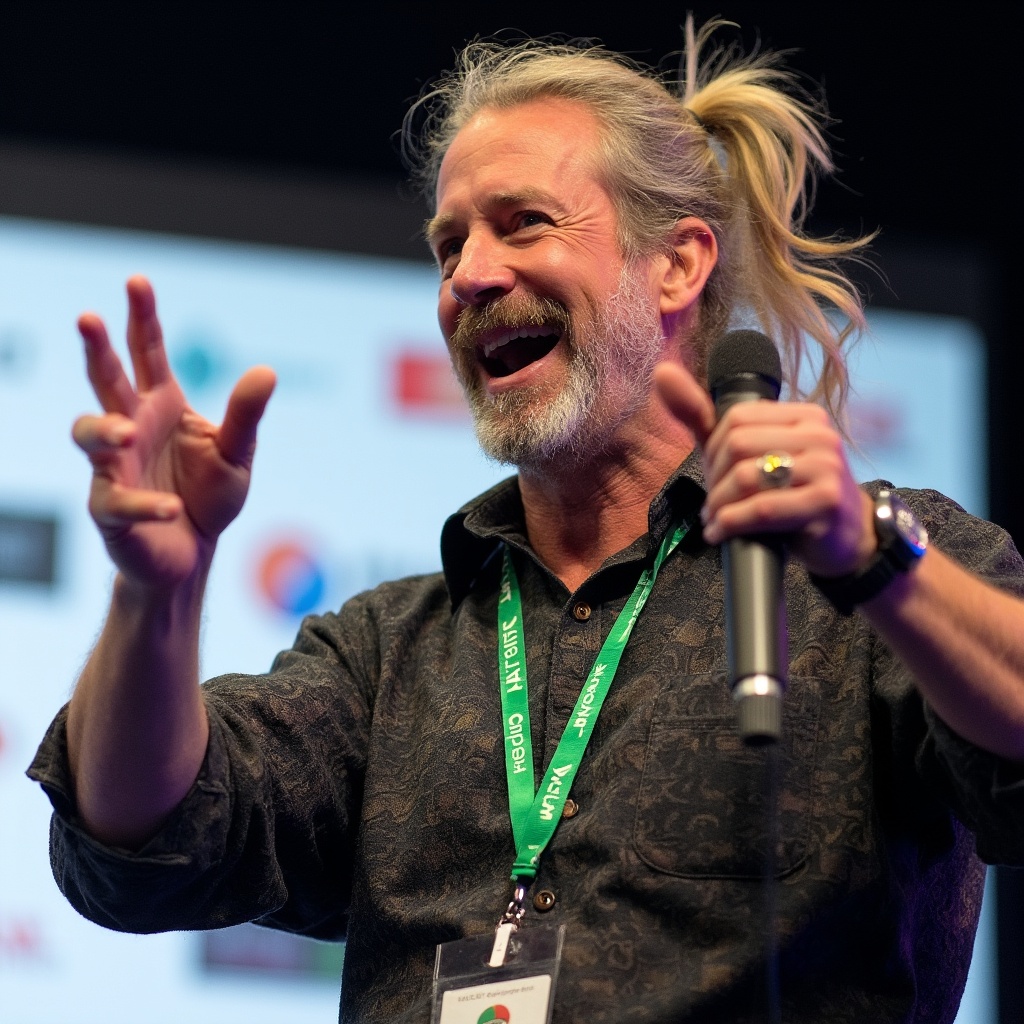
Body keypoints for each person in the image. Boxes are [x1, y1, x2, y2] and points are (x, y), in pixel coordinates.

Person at [28, 19, 1024, 1024]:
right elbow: (140, 836)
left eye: (524, 223)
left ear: (675, 265)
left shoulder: (866, 579)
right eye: (448, 243)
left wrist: (877, 558)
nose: (468, 274)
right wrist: (156, 587)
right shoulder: (388, 651)